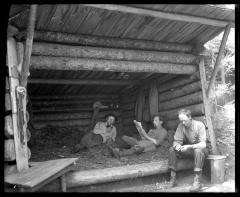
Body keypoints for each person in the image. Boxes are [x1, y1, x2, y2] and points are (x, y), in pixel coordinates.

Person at [166, 108, 209, 192]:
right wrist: (177, 146)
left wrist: (189, 146)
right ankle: (173, 178)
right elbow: (176, 142)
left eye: (184, 120)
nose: (183, 123)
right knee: (172, 149)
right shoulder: (181, 126)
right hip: (189, 151)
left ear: (190, 117)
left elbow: (203, 144)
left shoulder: (199, 125)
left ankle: (197, 182)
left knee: (198, 150)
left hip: (201, 151)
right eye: (181, 121)